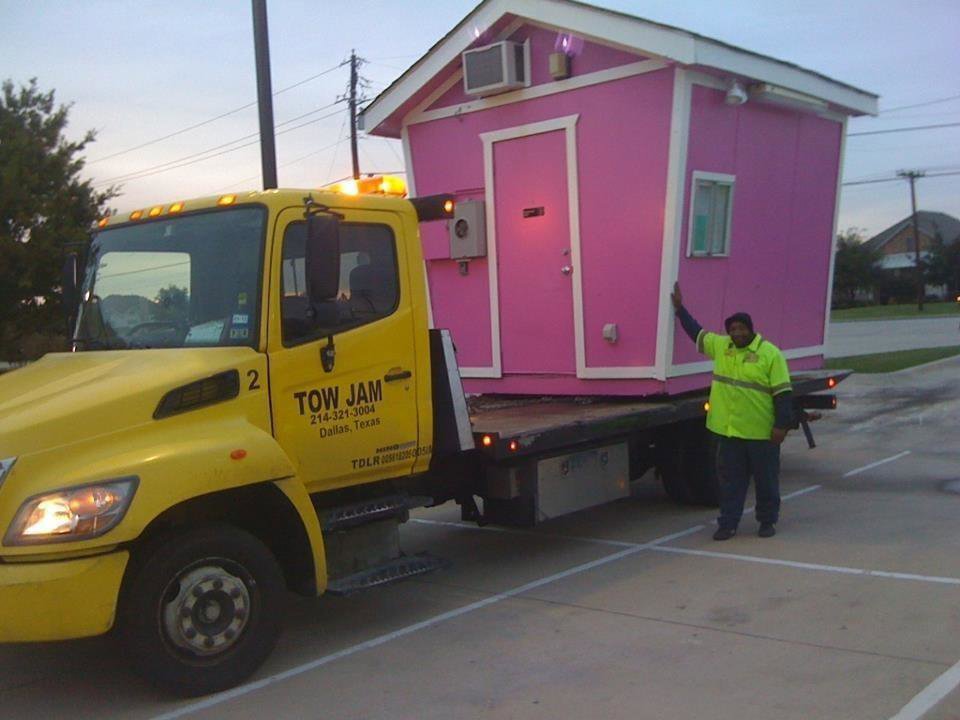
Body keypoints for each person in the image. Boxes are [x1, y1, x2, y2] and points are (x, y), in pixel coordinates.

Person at [670, 282, 793, 540]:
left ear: (751, 329)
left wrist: (781, 425)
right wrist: (680, 310)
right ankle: (728, 524)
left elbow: (783, 394)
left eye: (741, 328)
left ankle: (767, 521)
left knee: (766, 482)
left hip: (761, 433)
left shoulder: (770, 354)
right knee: (730, 483)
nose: (737, 333)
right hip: (729, 433)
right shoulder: (722, 347)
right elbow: (697, 333)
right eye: (733, 329)